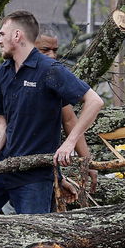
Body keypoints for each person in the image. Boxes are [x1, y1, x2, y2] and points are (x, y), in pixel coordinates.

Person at [0, 11, 104, 214]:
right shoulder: (2, 73)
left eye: (2, 34)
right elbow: (1, 123)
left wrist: (69, 144)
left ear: (17, 36)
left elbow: (95, 101)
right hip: (1, 168)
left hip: (34, 176)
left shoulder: (50, 69)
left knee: (34, 238)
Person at [34, 30, 98, 201]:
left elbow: (70, 120)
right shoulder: (10, 74)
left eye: (55, 50)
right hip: (10, 167)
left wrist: (87, 162)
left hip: (44, 169)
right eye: (45, 50)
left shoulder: (53, 76)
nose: (52, 55)